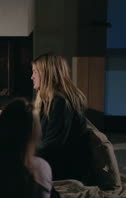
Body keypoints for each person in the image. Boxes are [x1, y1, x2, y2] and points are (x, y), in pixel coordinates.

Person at [31, 53, 91, 181]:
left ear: (47, 74)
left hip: (67, 168)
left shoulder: (60, 102)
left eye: (35, 72)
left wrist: (22, 155)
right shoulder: (48, 100)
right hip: (55, 161)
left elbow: (52, 146)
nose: (32, 77)